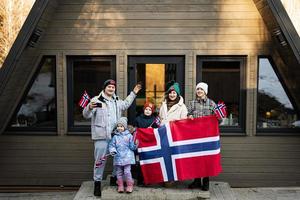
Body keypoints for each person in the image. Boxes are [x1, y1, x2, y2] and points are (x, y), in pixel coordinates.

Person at [82, 79, 141, 197]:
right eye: (109, 87)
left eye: (113, 87)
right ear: (104, 88)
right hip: (101, 137)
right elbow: (85, 115)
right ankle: (97, 183)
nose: (111, 89)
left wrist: (133, 93)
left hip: (116, 136)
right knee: (100, 161)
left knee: (118, 158)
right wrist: (88, 107)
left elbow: (126, 104)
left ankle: (115, 178)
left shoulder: (117, 100)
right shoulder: (96, 100)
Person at [187, 82, 217, 191]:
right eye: (198, 89)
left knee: (206, 159)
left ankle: (206, 181)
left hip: (207, 136)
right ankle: (196, 181)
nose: (199, 91)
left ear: (205, 91)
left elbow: (219, 119)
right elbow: (187, 115)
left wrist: (218, 116)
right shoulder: (191, 103)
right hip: (194, 136)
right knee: (196, 158)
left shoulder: (212, 104)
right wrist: (189, 116)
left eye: (201, 89)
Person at [159, 81, 188, 187]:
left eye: (174, 93)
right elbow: (160, 118)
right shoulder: (163, 105)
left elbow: (184, 122)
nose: (172, 95)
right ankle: (165, 177)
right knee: (164, 156)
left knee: (173, 157)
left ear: (177, 94)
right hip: (163, 134)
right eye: (170, 93)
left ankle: (172, 178)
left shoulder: (182, 107)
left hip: (175, 136)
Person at [133, 102, 160, 185]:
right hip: (140, 144)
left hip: (149, 144)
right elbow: (134, 131)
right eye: (146, 109)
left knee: (149, 162)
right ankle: (140, 179)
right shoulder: (138, 119)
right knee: (140, 162)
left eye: (150, 110)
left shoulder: (154, 120)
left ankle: (148, 179)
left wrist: (151, 130)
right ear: (143, 110)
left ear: (152, 111)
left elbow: (157, 132)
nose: (148, 111)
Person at [109, 117, 137, 193]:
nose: (119, 128)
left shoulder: (129, 136)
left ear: (124, 127)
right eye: (118, 126)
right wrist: (113, 151)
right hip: (118, 157)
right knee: (119, 172)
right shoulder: (115, 137)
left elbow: (132, 147)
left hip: (127, 157)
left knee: (127, 172)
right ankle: (120, 185)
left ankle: (129, 185)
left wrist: (135, 144)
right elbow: (112, 145)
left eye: (121, 126)